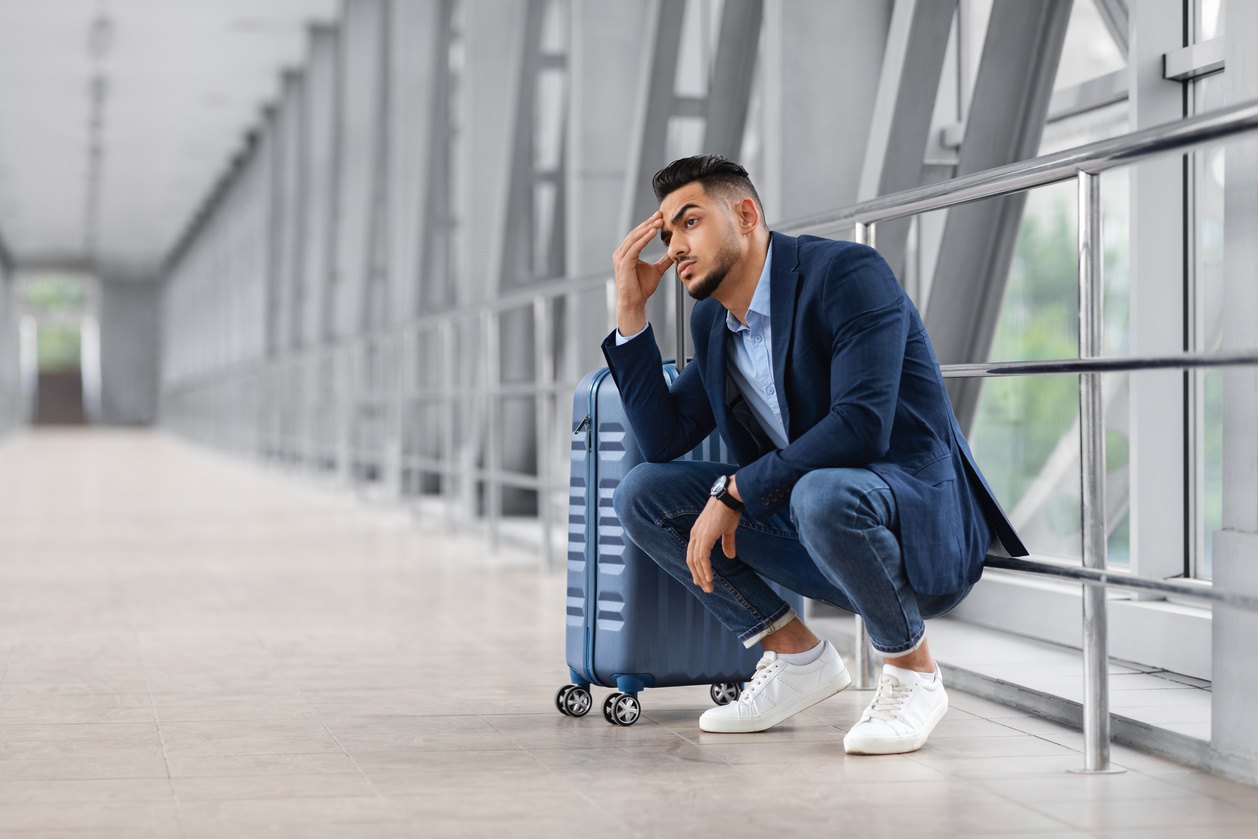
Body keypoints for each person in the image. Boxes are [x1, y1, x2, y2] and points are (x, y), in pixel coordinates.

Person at [603, 155, 1026, 755]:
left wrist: (735, 492)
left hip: (913, 529)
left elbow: (861, 427)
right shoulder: (715, 323)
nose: (673, 247)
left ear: (746, 214)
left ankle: (914, 673)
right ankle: (796, 657)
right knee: (643, 493)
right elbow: (663, 442)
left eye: (690, 222)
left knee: (820, 489)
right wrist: (631, 314)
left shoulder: (848, 274)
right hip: (818, 532)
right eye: (667, 233)